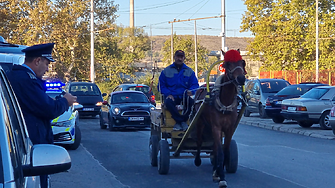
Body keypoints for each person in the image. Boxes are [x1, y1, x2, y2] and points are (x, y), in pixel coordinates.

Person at [7, 43, 77, 188]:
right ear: (37, 61)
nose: (47, 69)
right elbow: (47, 109)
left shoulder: (23, 77)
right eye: (46, 64)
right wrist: (65, 102)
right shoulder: (25, 79)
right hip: (30, 148)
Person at [158, 50, 199, 131]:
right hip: (172, 96)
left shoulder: (189, 71)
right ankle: (181, 121)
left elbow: (195, 85)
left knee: (191, 103)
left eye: (181, 57)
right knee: (168, 103)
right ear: (174, 57)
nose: (179, 59)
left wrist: (191, 91)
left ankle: (181, 122)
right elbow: (160, 86)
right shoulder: (166, 71)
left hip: (184, 96)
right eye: (178, 57)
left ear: (184, 58)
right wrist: (168, 94)